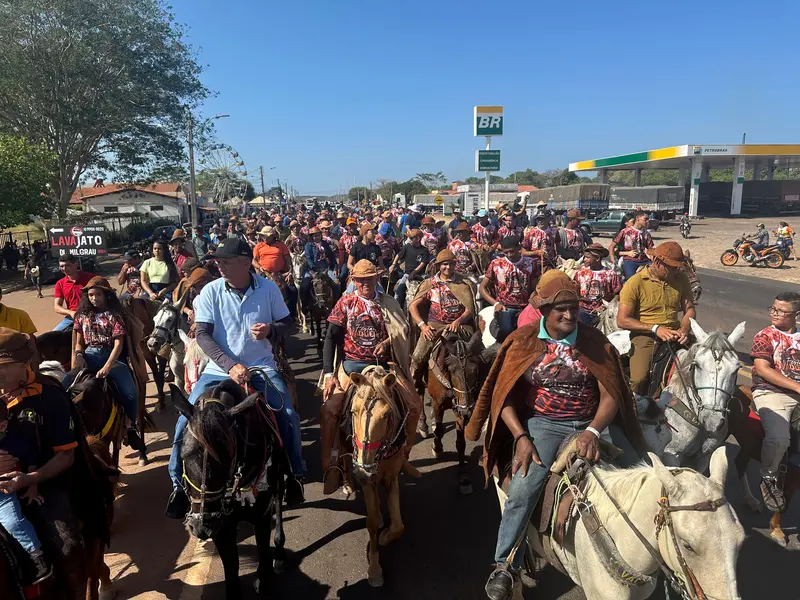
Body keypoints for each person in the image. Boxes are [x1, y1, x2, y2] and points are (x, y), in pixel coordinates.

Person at [464, 271, 648, 599]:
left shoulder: (595, 342)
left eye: (574, 308)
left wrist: (593, 430)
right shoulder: (522, 341)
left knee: (646, 472)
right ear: (545, 310)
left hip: (591, 421)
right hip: (544, 424)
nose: (569, 314)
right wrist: (521, 437)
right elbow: (502, 397)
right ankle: (506, 564)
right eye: (561, 309)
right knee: (524, 485)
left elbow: (611, 394)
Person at [165, 238, 304, 518]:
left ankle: (294, 475)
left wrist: (271, 331)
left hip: (261, 367)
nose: (220, 267)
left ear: (245, 262)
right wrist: (229, 365)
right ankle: (178, 486)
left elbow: (290, 324)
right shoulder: (211, 292)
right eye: (218, 262)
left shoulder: (268, 289)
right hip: (218, 370)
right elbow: (202, 334)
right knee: (184, 421)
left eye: (226, 262)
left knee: (288, 414)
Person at [320, 260, 421, 494]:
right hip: (352, 366)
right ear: (353, 281)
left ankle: (403, 455)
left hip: (384, 366)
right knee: (329, 411)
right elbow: (330, 337)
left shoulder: (389, 303)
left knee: (414, 405)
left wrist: (387, 343)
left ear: (377, 279)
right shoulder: (345, 302)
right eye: (360, 279)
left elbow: (402, 332)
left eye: (369, 278)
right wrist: (328, 373)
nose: (365, 283)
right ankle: (331, 466)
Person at [62, 276, 143, 447]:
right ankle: (62, 425)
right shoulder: (81, 315)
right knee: (63, 385)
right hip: (89, 355)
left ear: (106, 295)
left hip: (111, 357)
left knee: (130, 393)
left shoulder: (115, 315)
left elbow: (118, 344)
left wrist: (107, 366)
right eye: (91, 295)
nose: (94, 298)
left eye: (98, 294)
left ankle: (131, 426)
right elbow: (78, 342)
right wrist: (79, 355)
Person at [616, 241, 695, 400]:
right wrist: (655, 328)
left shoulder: (681, 278)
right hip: (646, 335)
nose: (676, 270)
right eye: (672, 267)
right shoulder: (635, 282)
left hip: (676, 332)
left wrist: (685, 329)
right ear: (657, 262)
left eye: (678, 267)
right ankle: (635, 410)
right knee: (639, 379)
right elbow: (622, 320)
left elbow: (690, 310)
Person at [749, 292, 800, 511]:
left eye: (780, 311)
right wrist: (797, 387)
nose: (774, 313)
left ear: (796, 315)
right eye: (773, 308)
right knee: (779, 439)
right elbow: (763, 369)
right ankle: (768, 478)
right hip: (771, 392)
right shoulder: (765, 335)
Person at [408, 250, 479, 396]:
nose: (448, 267)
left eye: (452, 264)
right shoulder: (430, 284)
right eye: (445, 264)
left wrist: (459, 320)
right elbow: (412, 306)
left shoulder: (463, 283)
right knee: (416, 358)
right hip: (434, 326)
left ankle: (477, 388)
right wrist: (422, 325)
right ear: (439, 266)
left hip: (460, 326)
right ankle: (414, 389)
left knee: (477, 354)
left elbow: (469, 308)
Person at [479, 237, 540, 344]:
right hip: (505, 307)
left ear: (519, 248)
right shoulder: (496, 264)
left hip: (526, 306)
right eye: (506, 252)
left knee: (529, 335)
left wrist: (532, 300)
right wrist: (496, 303)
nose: (509, 255)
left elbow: (535, 287)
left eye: (512, 251)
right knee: (505, 333)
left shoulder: (531, 263)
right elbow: (482, 288)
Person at [252, 225, 297, 317]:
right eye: (262, 236)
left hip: (280, 274)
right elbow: (254, 260)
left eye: (265, 236)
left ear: (272, 236)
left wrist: (290, 272)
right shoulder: (258, 246)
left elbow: (288, 260)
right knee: (255, 292)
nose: (263, 238)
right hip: (265, 273)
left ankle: (292, 315)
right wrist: (260, 268)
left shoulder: (281, 245)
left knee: (293, 291)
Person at [573, 243, 622, 326]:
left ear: (597, 258)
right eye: (584, 257)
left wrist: (610, 305)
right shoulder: (580, 273)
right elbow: (574, 292)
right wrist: (582, 299)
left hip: (605, 310)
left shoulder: (610, 274)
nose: (584, 259)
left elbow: (618, 293)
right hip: (583, 310)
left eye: (588, 257)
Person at [53, 254, 95, 331]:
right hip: (71, 318)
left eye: (67, 265)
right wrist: (71, 312)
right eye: (62, 266)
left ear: (76, 264)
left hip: (93, 315)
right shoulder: (60, 284)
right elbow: (56, 307)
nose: (64, 269)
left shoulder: (92, 278)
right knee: (52, 336)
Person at [389, 229, 431, 307]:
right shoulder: (407, 247)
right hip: (407, 274)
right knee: (398, 291)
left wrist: (415, 271)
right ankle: (398, 308)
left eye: (411, 238)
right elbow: (398, 255)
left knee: (428, 290)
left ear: (418, 239)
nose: (409, 240)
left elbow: (423, 263)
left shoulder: (424, 250)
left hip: (420, 275)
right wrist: (393, 264)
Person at [609, 210, 654, 280]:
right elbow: (612, 246)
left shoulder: (646, 233)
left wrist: (653, 260)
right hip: (630, 260)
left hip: (644, 260)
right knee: (631, 279)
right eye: (646, 219)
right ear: (638, 219)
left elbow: (650, 249)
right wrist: (612, 258)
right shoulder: (625, 232)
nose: (648, 221)